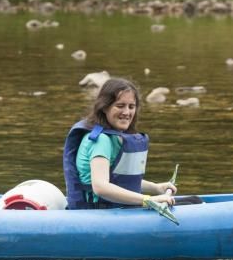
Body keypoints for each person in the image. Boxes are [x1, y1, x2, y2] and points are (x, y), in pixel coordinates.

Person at [63, 77, 177, 210]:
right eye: (120, 106)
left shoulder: (113, 137)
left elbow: (121, 180)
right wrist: (148, 200)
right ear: (104, 107)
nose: (127, 112)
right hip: (97, 212)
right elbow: (101, 187)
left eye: (131, 106)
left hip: (115, 209)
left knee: (194, 200)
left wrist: (156, 188)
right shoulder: (101, 140)